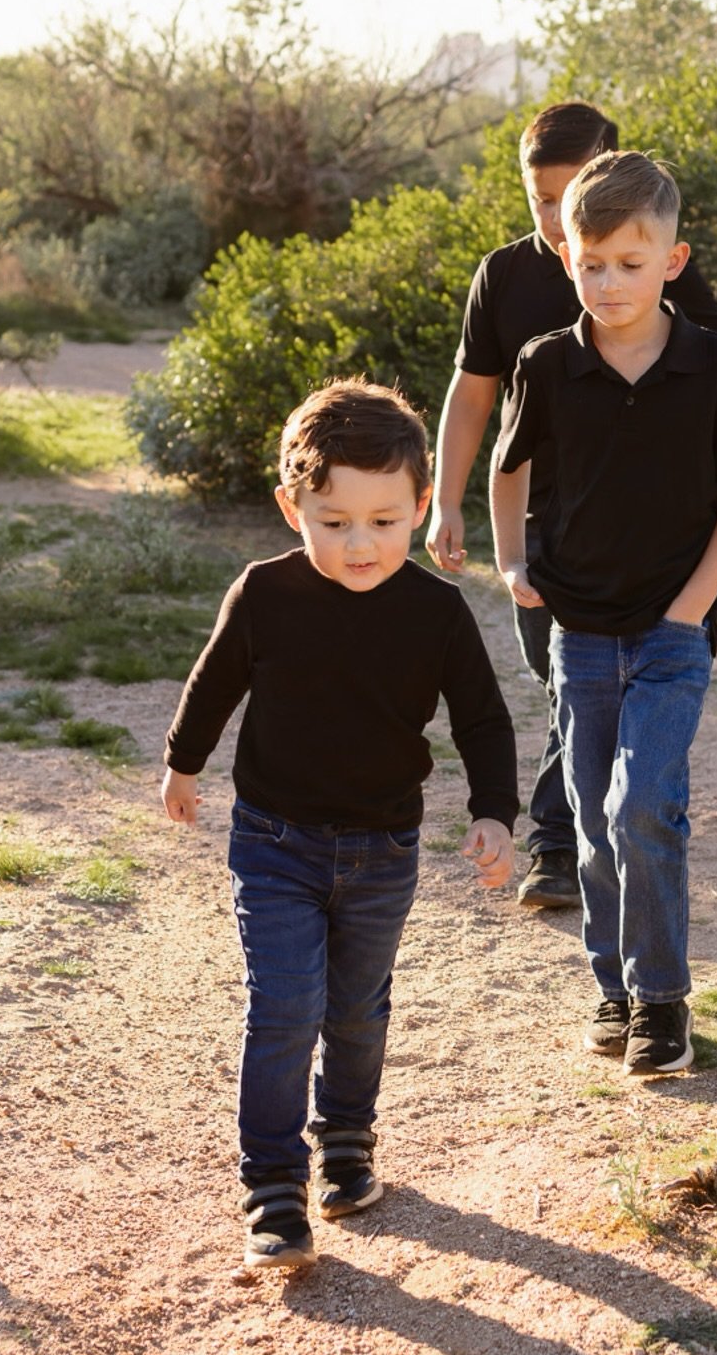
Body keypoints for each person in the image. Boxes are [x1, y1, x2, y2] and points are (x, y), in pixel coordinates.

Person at [162, 381, 518, 1272]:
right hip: (275, 841)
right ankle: (273, 1187)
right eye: (334, 522)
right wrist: (183, 762)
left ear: (421, 506)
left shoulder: (436, 610)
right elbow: (214, 684)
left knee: (356, 1010)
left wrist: (495, 815)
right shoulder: (265, 594)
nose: (360, 544)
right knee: (285, 1008)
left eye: (385, 522)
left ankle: (347, 1145)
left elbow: (482, 718)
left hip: (384, 848)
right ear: (294, 508)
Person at [427, 101, 717, 915]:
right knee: (565, 685)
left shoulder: (644, 262)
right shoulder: (506, 276)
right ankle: (601, 821)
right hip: (547, 528)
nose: (568, 229)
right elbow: (472, 397)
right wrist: (447, 502)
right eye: (544, 201)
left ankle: (563, 843)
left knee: (602, 692)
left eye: (576, 190)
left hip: (652, 530)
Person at [491, 152, 717, 1075]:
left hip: (672, 634)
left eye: (630, 261)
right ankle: (612, 987)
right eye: (591, 261)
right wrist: (510, 558)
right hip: (578, 631)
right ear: (564, 255)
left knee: (642, 804)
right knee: (589, 817)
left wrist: (691, 610)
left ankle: (663, 1002)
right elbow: (508, 469)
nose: (609, 281)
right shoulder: (546, 363)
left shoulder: (712, 366)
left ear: (673, 260)